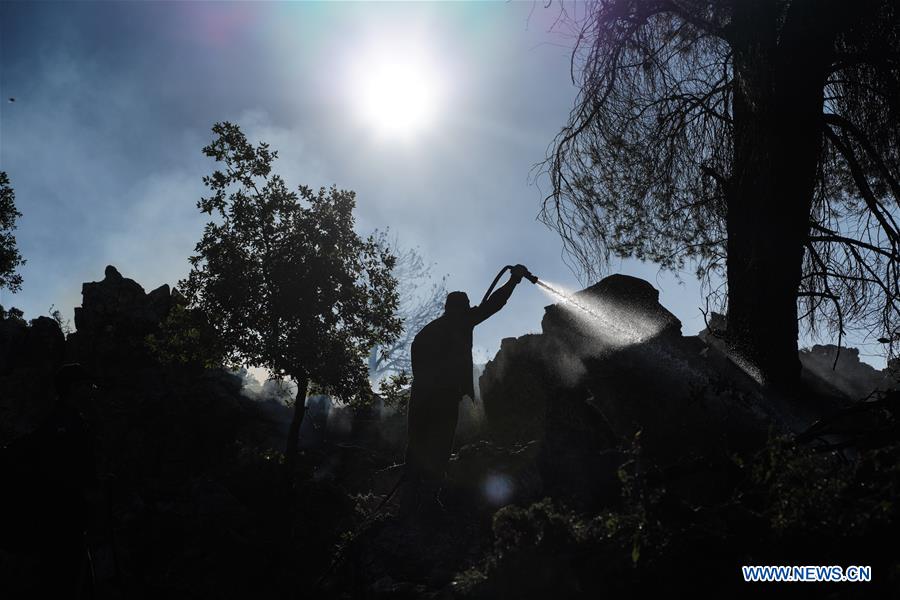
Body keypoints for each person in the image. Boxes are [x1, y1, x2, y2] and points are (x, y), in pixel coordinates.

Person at [402, 264, 529, 513]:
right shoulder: (461, 322)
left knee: (416, 447)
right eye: (467, 306)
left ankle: (407, 503)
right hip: (443, 398)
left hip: (419, 397)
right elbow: (494, 304)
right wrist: (514, 280)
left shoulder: (425, 333)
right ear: (461, 308)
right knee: (439, 448)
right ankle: (428, 501)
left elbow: (418, 365)